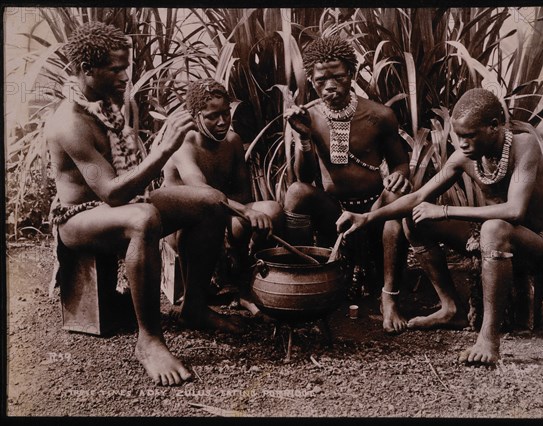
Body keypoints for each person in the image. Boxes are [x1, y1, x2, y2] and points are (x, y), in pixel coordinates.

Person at [46, 22, 240, 387]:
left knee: (211, 201)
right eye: (116, 69)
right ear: (87, 70)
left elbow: (127, 182)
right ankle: (149, 340)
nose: (125, 76)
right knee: (143, 217)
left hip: (120, 204)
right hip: (79, 218)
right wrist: (164, 149)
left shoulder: (111, 105)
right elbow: (112, 194)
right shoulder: (69, 123)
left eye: (126, 67)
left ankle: (194, 306)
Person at [336, 88, 543, 365]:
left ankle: (488, 339)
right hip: (490, 233)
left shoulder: (525, 145)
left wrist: (445, 210)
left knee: (493, 228)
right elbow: (416, 197)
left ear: (494, 126)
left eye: (469, 135)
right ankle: (451, 308)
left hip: (535, 243)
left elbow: (515, 210)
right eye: (458, 136)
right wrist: (366, 218)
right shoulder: (466, 156)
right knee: (417, 218)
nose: (462, 144)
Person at [282, 36, 412, 333]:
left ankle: (389, 296)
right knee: (296, 193)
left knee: (395, 195)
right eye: (321, 80)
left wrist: (401, 174)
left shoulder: (379, 115)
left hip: (375, 209)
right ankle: (303, 278)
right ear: (312, 81)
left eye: (338, 77)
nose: (330, 86)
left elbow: (400, 163)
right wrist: (303, 138)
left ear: (351, 75)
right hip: (335, 211)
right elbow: (304, 179)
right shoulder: (308, 117)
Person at [162, 78, 283, 315]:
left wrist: (247, 217)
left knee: (272, 211)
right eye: (212, 116)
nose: (222, 122)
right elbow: (203, 194)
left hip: (224, 212)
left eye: (226, 113)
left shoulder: (232, 141)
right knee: (229, 217)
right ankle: (202, 294)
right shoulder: (184, 145)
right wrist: (245, 211)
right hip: (188, 226)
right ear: (195, 116)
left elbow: (243, 193)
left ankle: (251, 283)